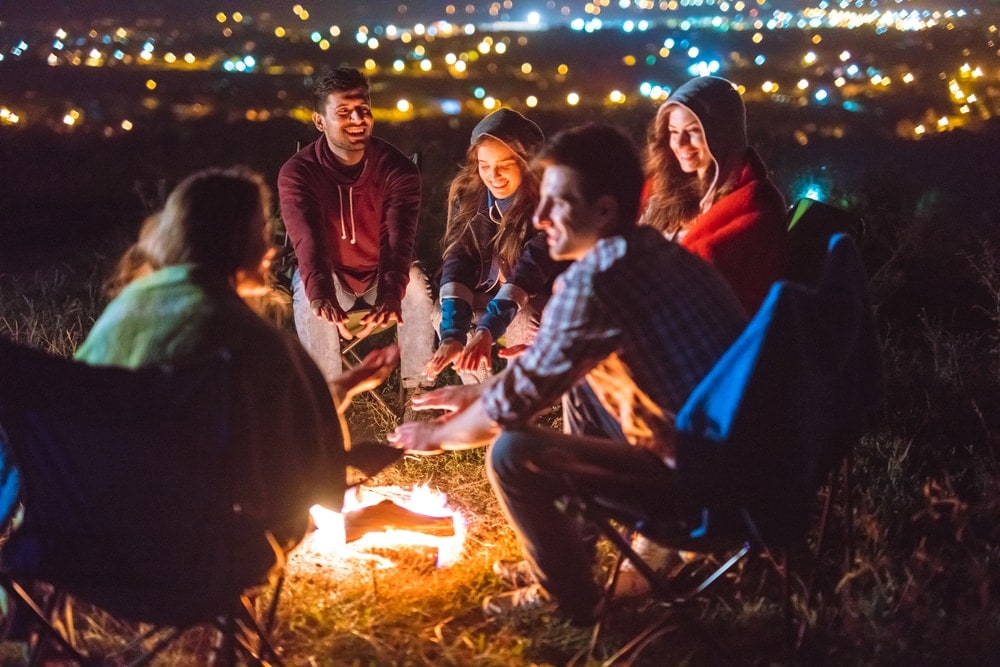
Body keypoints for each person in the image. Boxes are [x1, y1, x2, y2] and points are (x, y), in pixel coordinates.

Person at [388, 124, 748, 625]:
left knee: (512, 453)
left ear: (602, 209)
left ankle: (574, 603)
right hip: (748, 468)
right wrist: (477, 395)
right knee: (583, 379)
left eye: (557, 203)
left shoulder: (594, 282)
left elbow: (509, 412)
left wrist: (435, 436)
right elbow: (540, 375)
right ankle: (571, 552)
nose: (540, 217)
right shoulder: (658, 251)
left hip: (706, 497)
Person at [75, 166, 401, 583]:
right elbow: (304, 462)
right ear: (235, 240)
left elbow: (212, 411)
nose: (272, 247)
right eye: (263, 228)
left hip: (87, 537)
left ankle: (41, 637)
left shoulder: (125, 311)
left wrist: (344, 386)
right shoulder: (248, 337)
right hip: (192, 554)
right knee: (292, 508)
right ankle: (233, 632)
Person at [278, 66, 435, 388]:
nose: (357, 119)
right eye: (344, 112)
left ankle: (419, 393)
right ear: (320, 121)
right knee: (310, 299)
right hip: (330, 276)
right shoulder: (298, 173)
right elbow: (308, 242)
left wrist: (392, 293)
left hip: (381, 275)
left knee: (416, 287)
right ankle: (328, 401)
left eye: (363, 110)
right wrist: (321, 294)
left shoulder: (398, 170)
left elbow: (397, 239)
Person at [426, 107, 569, 384]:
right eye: (484, 165)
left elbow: (529, 272)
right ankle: (481, 396)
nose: (493, 175)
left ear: (526, 163)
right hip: (489, 292)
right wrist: (453, 334)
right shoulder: (470, 196)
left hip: (539, 295)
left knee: (523, 318)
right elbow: (458, 258)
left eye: (505, 165)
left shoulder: (547, 203)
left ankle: (524, 400)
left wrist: (487, 330)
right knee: (444, 312)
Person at [642, 75, 787, 315]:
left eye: (694, 131)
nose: (680, 143)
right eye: (672, 131)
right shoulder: (659, 192)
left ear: (723, 134)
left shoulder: (754, 206)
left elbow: (701, 280)